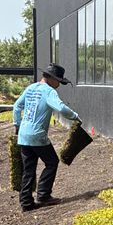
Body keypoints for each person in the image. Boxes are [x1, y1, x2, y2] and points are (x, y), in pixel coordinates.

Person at [12, 64, 81, 212]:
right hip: (37, 135)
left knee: (28, 169)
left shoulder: (30, 88)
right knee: (52, 162)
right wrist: (75, 117)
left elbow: (17, 106)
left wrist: (17, 125)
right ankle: (43, 195)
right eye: (59, 81)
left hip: (23, 135)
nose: (59, 85)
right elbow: (61, 108)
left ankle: (26, 202)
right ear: (52, 78)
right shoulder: (49, 91)